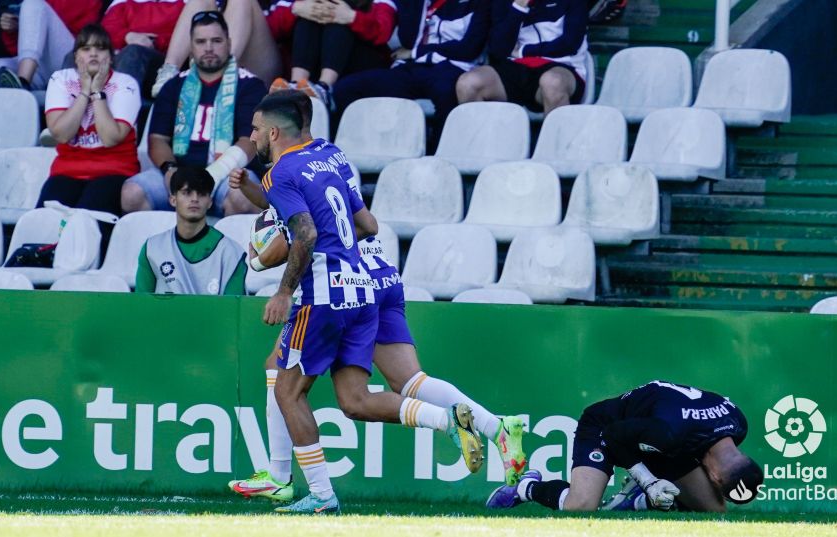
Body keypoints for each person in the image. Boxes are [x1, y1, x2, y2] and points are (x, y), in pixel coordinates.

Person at [226, 93, 528, 502]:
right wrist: (258, 198)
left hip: (336, 283)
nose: (253, 137)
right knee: (392, 385)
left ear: (280, 128)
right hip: (374, 276)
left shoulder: (286, 170)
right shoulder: (332, 156)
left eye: (258, 129)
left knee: (287, 382)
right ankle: (492, 426)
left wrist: (271, 259)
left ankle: (285, 478)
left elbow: (305, 230)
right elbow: (363, 222)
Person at [486, 380, 764, 513]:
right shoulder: (670, 431)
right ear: (715, 477)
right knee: (580, 506)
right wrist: (649, 481)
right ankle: (526, 487)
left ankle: (638, 501)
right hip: (607, 427)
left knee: (715, 512)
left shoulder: (738, 422)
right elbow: (613, 435)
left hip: (670, 441)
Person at [120, 9, 266, 217]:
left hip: (228, 176)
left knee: (241, 198)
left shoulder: (250, 85)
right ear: (191, 46)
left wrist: (213, 175)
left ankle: (230, 250)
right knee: (131, 194)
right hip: (182, 173)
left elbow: (250, 141)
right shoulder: (173, 85)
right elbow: (158, 139)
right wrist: (171, 172)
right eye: (201, 42)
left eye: (216, 41)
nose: (209, 48)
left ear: (229, 43)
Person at [332, 0, 490, 131]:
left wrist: (417, 52)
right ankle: (367, 147)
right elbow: (408, 38)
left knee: (445, 92)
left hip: (454, 66)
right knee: (346, 88)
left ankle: (438, 157)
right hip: (414, 67)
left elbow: (469, 48)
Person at [38, 23, 140, 217]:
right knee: (44, 222)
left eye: (101, 49)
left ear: (110, 57)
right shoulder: (61, 79)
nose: (93, 54)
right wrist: (84, 91)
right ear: (76, 57)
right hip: (66, 171)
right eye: (86, 49)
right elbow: (61, 133)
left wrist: (97, 92)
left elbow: (110, 138)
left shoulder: (125, 83)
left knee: (87, 220)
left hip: (114, 171)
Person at [455, 0, 589, 116]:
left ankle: (558, 145)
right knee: (468, 83)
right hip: (517, 67)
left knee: (552, 82)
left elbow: (570, 44)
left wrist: (524, 51)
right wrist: (518, 7)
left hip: (562, 66)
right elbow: (499, 49)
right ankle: (484, 144)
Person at [135, 166, 247, 294]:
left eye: (202, 194)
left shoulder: (231, 253)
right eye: (187, 192)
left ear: (210, 202)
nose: (194, 199)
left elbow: (233, 310)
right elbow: (141, 305)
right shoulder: (152, 249)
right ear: (173, 200)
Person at [151, 0, 290, 97]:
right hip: (204, 64)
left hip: (262, 64)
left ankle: (222, 72)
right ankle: (169, 71)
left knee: (241, 1)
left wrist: (293, 9)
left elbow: (283, 27)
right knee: (200, 1)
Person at [270, 0, 396, 107]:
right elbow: (271, 28)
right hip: (313, 64)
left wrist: (351, 17)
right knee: (309, 12)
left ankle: (324, 88)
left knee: (338, 13)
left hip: (359, 62)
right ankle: (295, 85)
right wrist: (296, 9)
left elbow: (384, 31)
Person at [0, 0, 101, 90]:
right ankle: (18, 104)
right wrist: (17, 28)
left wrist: (37, 20)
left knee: (33, 4)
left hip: (73, 60)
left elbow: (83, 30)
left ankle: (22, 83)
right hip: (39, 65)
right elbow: (21, 47)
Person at [99, 0, 186, 97]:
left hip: (162, 62)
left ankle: (119, 105)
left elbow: (189, 35)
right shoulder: (122, 3)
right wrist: (127, 36)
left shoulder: (186, 4)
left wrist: (154, 41)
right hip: (118, 59)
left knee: (134, 51)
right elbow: (104, 31)